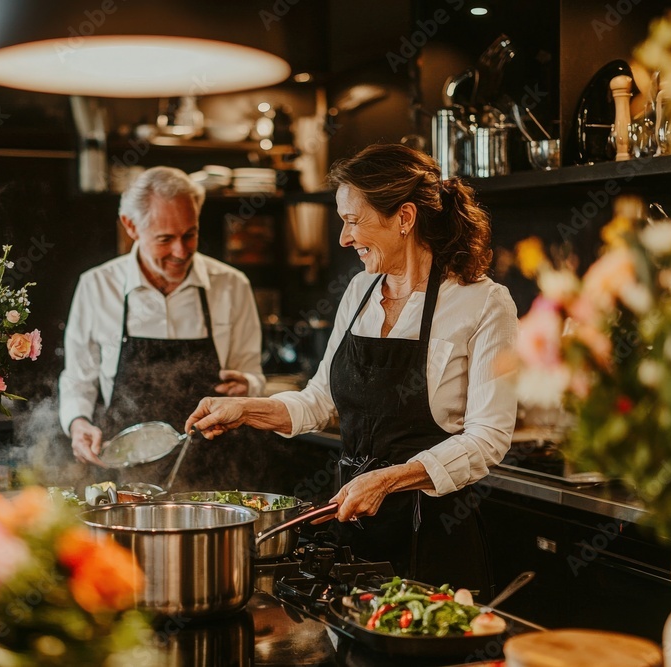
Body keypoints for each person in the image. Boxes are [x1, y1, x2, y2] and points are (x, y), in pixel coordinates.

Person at [187, 143, 518, 597]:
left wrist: (389, 479)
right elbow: (319, 400)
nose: (344, 239)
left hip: (435, 538)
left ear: (404, 218)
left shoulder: (482, 302)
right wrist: (245, 409)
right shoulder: (360, 290)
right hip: (356, 538)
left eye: (352, 220)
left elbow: (489, 438)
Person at [59, 165, 265, 474]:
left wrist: (247, 386)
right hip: (125, 470)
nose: (181, 251)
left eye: (190, 234)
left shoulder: (232, 285)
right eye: (165, 239)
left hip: (214, 468)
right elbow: (78, 378)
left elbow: (253, 376)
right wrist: (78, 423)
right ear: (131, 226)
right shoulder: (97, 286)